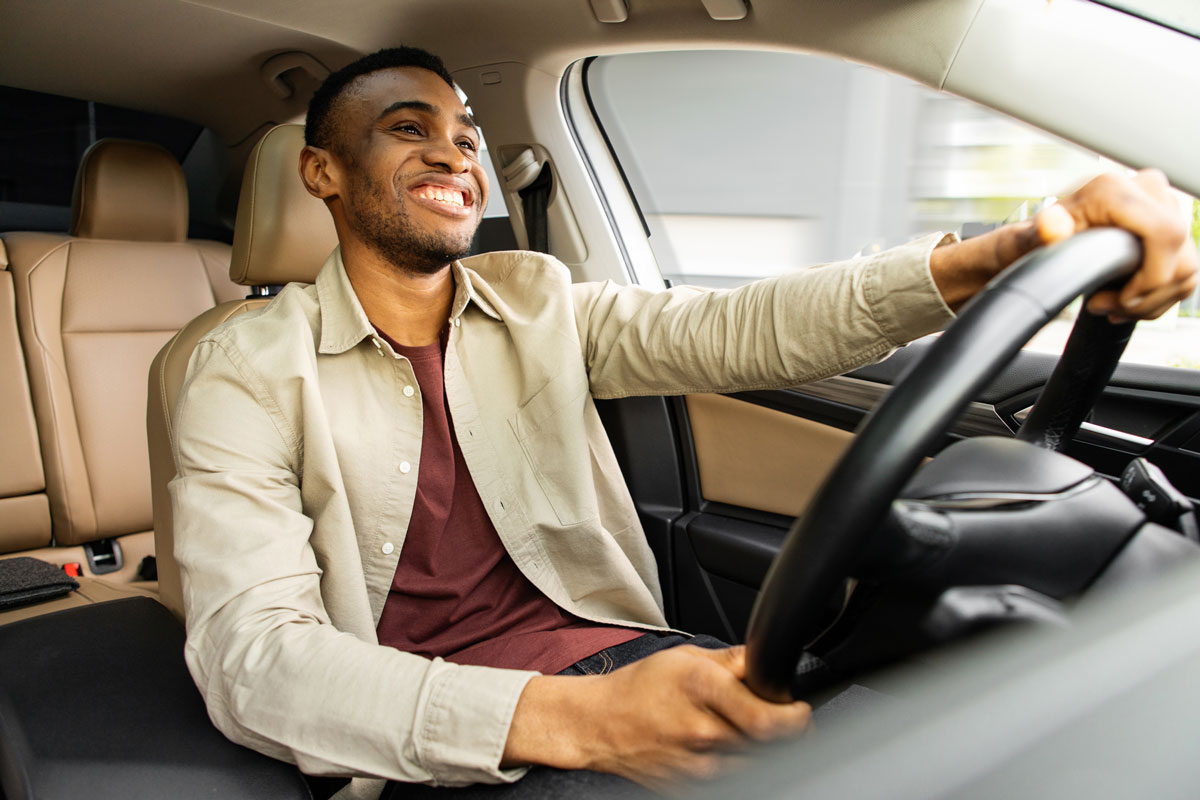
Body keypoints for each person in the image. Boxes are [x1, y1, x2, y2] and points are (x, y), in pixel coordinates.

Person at [169, 46, 1198, 800]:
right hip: (438, 745)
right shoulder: (240, 369)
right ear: (323, 174)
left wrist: (992, 256)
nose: (455, 156)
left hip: (622, 659)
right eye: (408, 129)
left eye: (465, 136)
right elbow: (256, 657)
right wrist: (573, 721)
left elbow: (738, 328)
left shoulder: (536, 300)